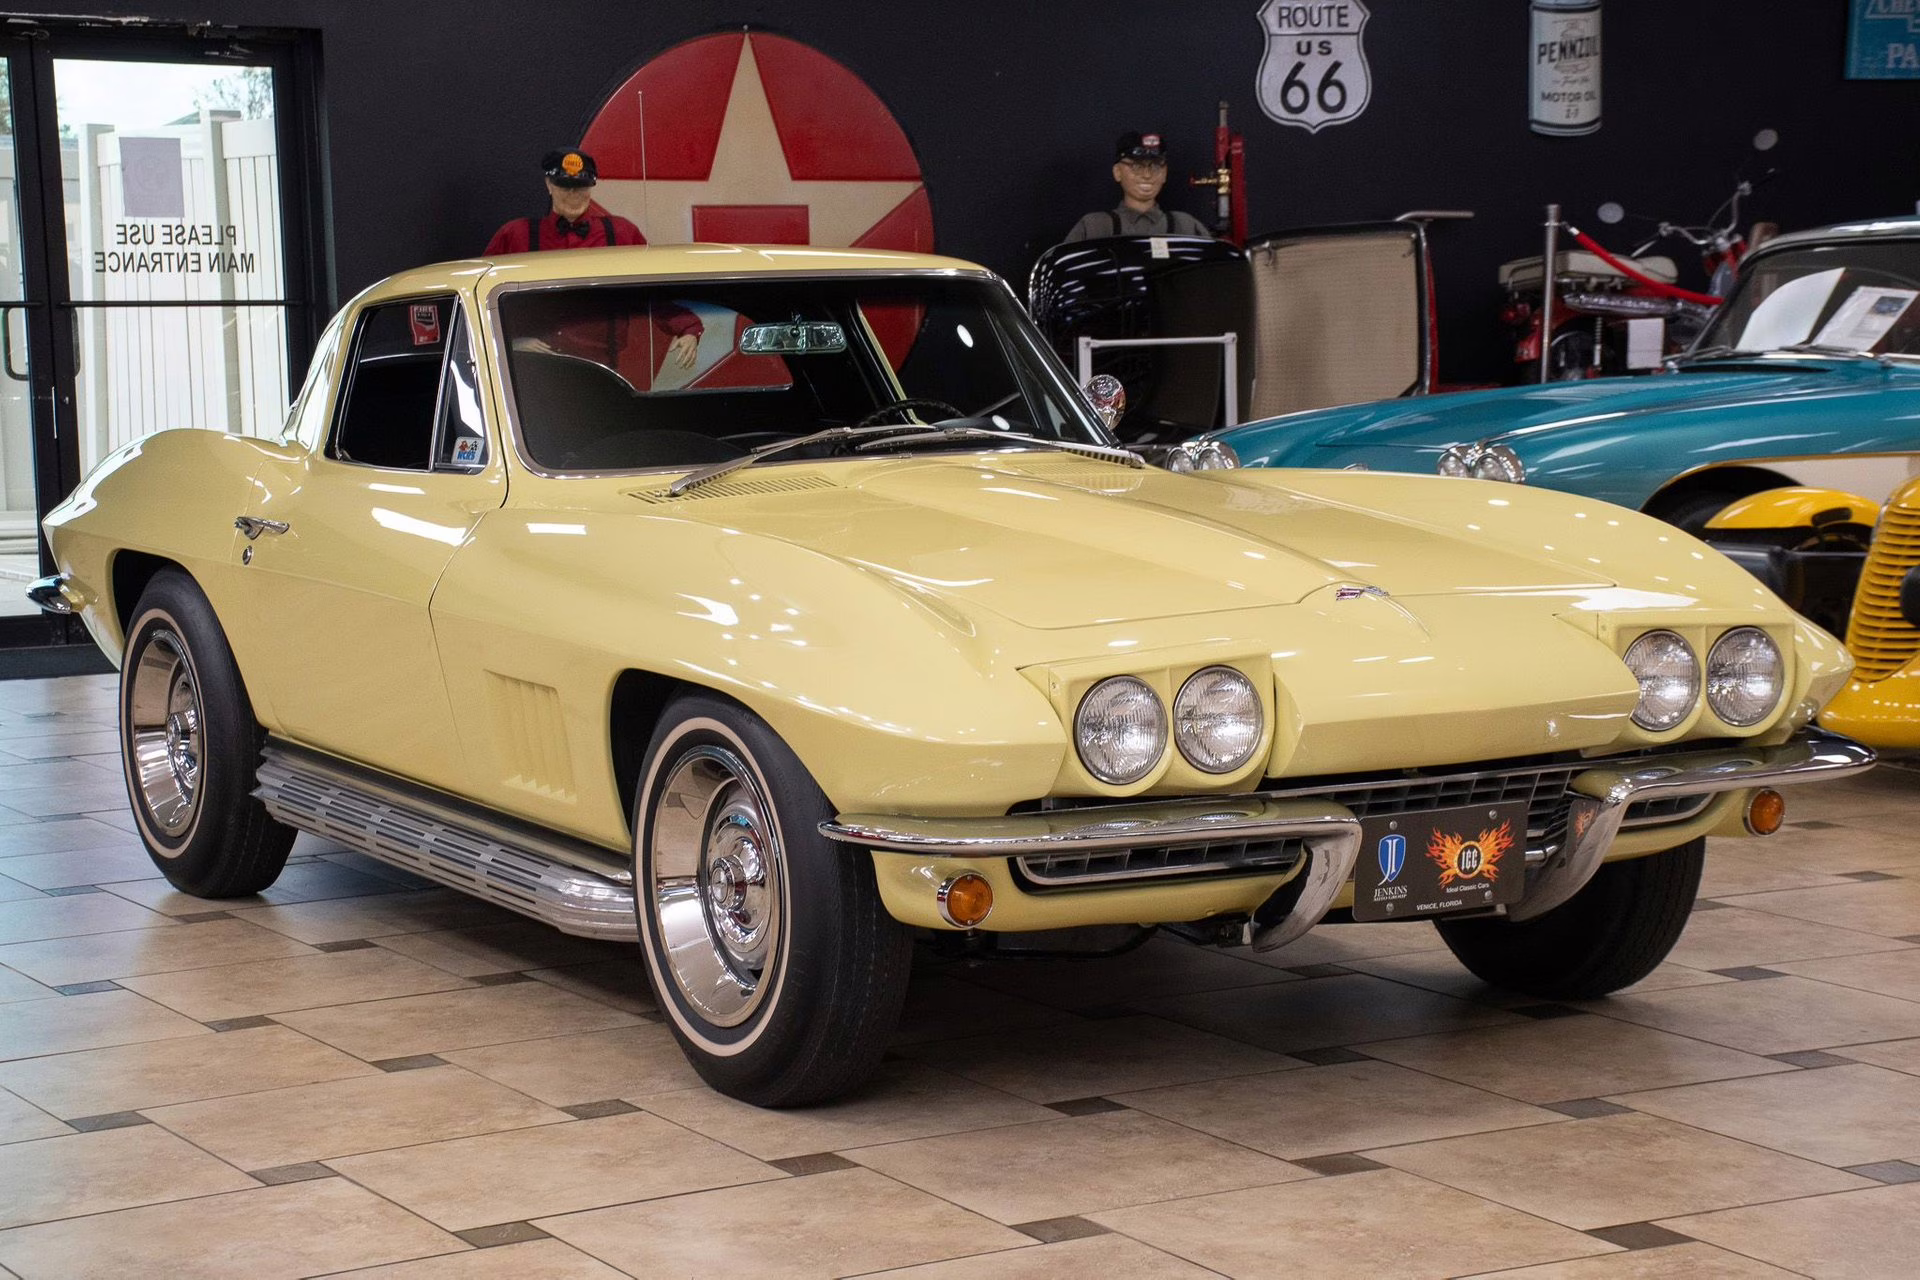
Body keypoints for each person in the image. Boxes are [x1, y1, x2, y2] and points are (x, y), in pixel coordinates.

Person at [487, 148, 700, 370]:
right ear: (549, 185)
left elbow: (652, 290)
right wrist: (510, 341)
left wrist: (688, 328)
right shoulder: (516, 236)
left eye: (580, 187)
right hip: (531, 370)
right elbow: (483, 297)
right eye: (565, 187)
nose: (573, 195)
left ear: (591, 187)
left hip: (600, 370)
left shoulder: (620, 234)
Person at [1064, 132, 1212, 243]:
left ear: (1164, 173)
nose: (1147, 175)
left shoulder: (1186, 227)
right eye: (1136, 166)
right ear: (1117, 172)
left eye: (1155, 166)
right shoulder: (1095, 228)